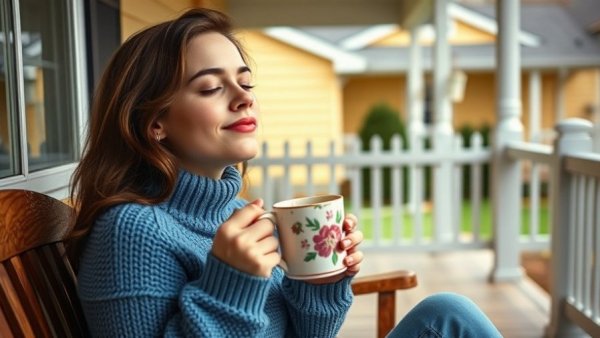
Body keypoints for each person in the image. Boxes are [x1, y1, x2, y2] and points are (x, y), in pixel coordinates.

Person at [68, 8, 503, 338]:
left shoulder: (238, 216)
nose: (243, 98)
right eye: (210, 87)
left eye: (245, 82)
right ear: (153, 122)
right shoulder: (132, 232)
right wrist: (230, 285)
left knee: (448, 314)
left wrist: (318, 283)